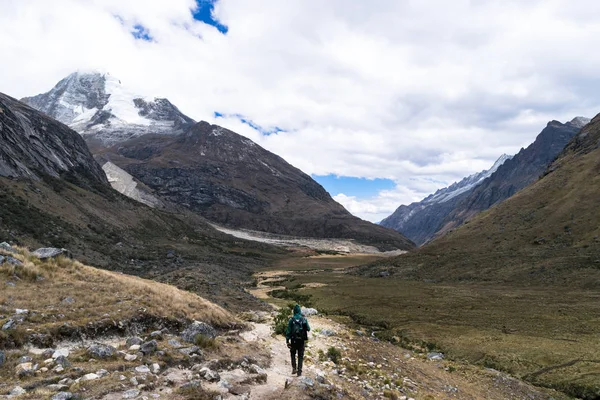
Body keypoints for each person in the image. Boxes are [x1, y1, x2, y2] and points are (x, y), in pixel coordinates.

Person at [285, 304, 311, 376]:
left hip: (293, 340)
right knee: (300, 355)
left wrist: (287, 341)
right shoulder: (304, 319)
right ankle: (299, 371)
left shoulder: (291, 320)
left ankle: (294, 368)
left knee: (293, 353)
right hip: (301, 341)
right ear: (299, 311)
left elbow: (288, 331)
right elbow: (308, 329)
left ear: (294, 311)